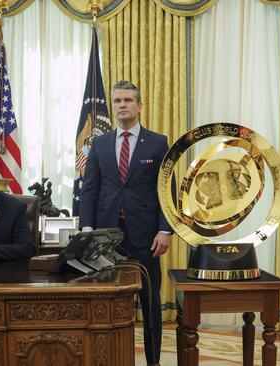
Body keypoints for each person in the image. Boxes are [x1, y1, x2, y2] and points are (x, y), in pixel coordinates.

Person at [79, 80, 171, 366]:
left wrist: (165, 230)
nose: (121, 105)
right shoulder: (100, 143)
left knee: (150, 302)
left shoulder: (158, 142)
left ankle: (153, 361)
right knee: (106, 301)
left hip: (146, 236)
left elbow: (166, 189)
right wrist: (86, 230)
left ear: (139, 106)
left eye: (128, 100)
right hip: (106, 236)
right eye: (117, 101)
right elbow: (90, 189)